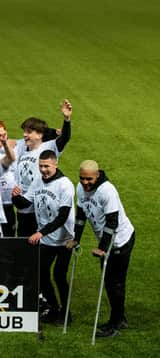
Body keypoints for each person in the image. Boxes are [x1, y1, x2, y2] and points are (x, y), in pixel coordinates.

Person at [66, 160, 135, 338]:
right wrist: (75, 239)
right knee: (110, 282)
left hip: (120, 240)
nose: (85, 182)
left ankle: (117, 322)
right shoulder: (80, 189)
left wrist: (102, 248)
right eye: (81, 178)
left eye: (89, 179)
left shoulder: (107, 191)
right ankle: (119, 318)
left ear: (97, 175)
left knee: (115, 283)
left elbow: (112, 222)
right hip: (107, 241)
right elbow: (80, 216)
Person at [12, 150, 75, 323]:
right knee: (41, 273)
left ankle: (66, 312)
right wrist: (15, 197)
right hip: (47, 240)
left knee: (59, 276)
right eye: (41, 166)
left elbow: (62, 217)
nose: (43, 169)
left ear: (56, 164)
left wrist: (40, 232)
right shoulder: (38, 180)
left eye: (47, 166)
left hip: (64, 240)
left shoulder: (65, 185)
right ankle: (54, 308)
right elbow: (26, 202)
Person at [14, 99, 72, 237]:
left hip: (38, 207)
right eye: (24, 131)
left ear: (39, 135)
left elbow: (64, 138)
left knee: (38, 245)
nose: (24, 135)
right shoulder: (22, 148)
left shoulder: (49, 147)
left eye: (28, 132)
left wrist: (67, 119)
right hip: (23, 206)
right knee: (23, 244)